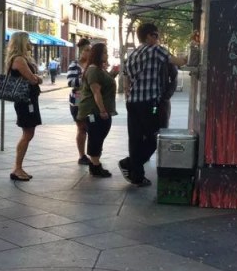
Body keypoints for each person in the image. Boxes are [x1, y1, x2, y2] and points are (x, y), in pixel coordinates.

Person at [118, 23, 186, 187]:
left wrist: (127, 91)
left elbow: (127, 77)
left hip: (132, 103)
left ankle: (137, 176)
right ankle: (130, 163)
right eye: (155, 35)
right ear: (148, 36)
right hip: (149, 104)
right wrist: (190, 54)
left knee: (135, 139)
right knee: (155, 137)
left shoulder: (133, 55)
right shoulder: (156, 50)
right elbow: (179, 62)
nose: (158, 38)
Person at [6, 31, 43, 181]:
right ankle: (17, 168)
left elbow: (33, 78)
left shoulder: (22, 58)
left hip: (29, 100)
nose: (30, 43)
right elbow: (33, 79)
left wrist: (36, 78)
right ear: (21, 42)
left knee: (28, 133)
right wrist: (37, 78)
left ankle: (19, 168)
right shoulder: (19, 59)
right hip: (25, 102)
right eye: (28, 41)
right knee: (28, 134)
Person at [77, 43, 117, 177]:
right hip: (93, 110)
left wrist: (114, 73)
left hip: (100, 109)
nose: (107, 55)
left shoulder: (100, 69)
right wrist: (102, 110)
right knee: (95, 136)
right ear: (98, 54)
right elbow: (96, 92)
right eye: (104, 52)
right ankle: (95, 166)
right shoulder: (93, 70)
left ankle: (95, 164)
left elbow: (104, 84)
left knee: (99, 135)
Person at [67, 38, 92, 165]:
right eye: (87, 50)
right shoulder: (74, 65)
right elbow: (70, 82)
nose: (89, 52)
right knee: (82, 128)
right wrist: (85, 78)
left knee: (93, 128)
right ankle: (82, 156)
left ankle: (94, 154)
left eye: (90, 50)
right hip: (77, 101)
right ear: (81, 51)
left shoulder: (93, 65)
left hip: (92, 101)